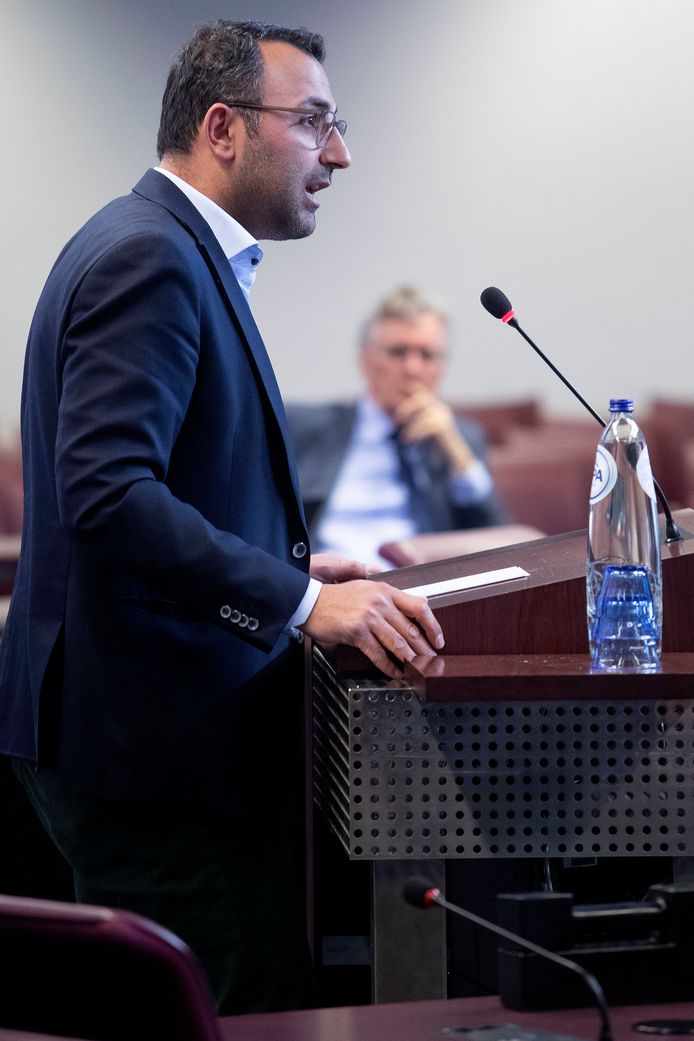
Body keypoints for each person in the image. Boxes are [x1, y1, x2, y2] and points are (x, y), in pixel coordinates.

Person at [0, 21, 444, 1014]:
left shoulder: (161, 244)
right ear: (222, 128)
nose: (339, 153)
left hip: (149, 733)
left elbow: (165, 484)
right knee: (239, 1008)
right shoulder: (149, 257)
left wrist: (288, 567)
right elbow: (110, 494)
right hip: (153, 749)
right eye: (314, 121)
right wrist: (299, 604)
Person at [286, 286, 505, 568]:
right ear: (366, 360)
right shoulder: (305, 427)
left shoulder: (461, 439)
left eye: (427, 355)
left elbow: (498, 542)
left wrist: (457, 456)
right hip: (327, 580)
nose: (413, 369)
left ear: (442, 367)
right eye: (398, 352)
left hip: (418, 583)